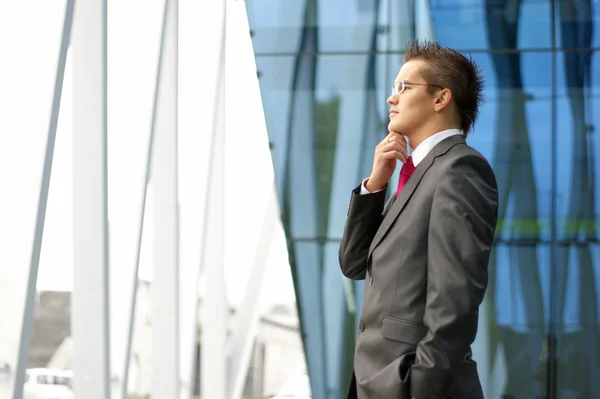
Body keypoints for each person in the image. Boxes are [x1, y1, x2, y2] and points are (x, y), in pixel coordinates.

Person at [339, 40, 499, 399]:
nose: (391, 98)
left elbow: (454, 303)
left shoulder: (459, 169)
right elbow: (353, 263)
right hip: (377, 382)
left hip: (412, 386)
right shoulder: (414, 175)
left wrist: (417, 388)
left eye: (403, 87)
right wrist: (375, 184)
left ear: (441, 98)